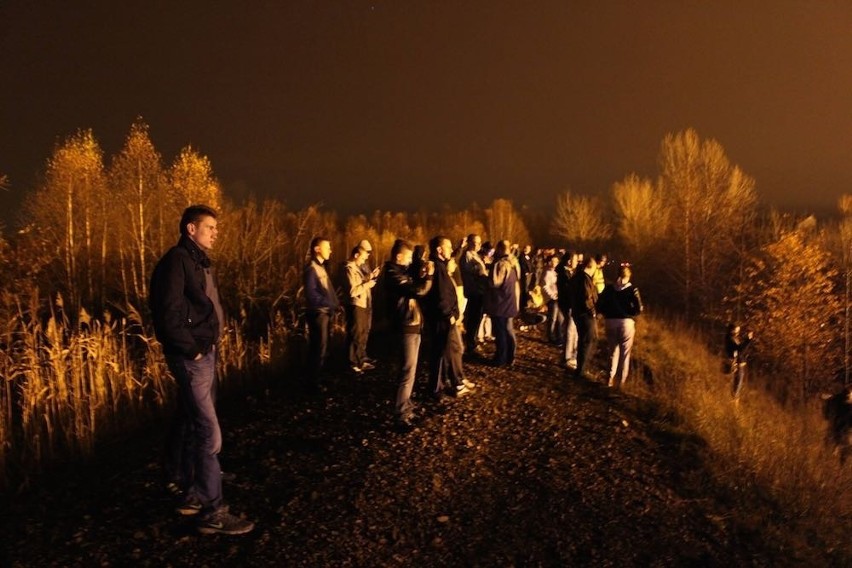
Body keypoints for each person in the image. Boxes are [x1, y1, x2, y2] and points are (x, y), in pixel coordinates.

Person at [149, 204, 254, 535]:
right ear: (190, 229)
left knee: (194, 423)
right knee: (208, 430)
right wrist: (191, 349)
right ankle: (212, 510)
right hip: (192, 357)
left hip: (204, 354)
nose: (215, 232)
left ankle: (193, 492)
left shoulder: (197, 262)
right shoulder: (177, 261)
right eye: (210, 227)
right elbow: (166, 313)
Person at [384, 239, 434, 429]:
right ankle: (400, 415)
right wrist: (428, 277)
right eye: (408, 257)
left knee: (411, 370)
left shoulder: (401, 272)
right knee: (407, 371)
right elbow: (419, 291)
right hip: (405, 325)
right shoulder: (392, 274)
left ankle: (406, 406)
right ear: (398, 257)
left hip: (412, 324)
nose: (410, 261)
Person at [423, 236, 473, 401]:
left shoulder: (440, 266)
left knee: (445, 352)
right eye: (448, 247)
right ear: (439, 250)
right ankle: (442, 388)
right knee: (443, 352)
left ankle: (443, 385)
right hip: (443, 319)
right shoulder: (437, 268)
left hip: (444, 318)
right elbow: (441, 296)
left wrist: (460, 248)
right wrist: (450, 316)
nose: (451, 251)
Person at [597, 263, 643, 388]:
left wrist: (606, 313)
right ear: (629, 276)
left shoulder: (609, 288)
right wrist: (630, 313)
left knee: (612, 352)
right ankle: (620, 383)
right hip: (626, 323)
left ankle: (608, 380)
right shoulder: (632, 290)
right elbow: (639, 309)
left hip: (610, 322)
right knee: (625, 354)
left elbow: (600, 304)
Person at [303, 236, 339, 392]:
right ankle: (313, 382)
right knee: (319, 347)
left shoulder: (321, 267)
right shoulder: (312, 268)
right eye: (327, 247)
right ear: (317, 249)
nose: (330, 250)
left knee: (322, 347)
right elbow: (312, 294)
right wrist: (330, 303)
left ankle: (319, 377)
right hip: (318, 314)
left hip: (324, 313)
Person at [343, 245, 379, 374]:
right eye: (363, 257)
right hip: (356, 305)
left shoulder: (355, 269)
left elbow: (359, 283)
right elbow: (353, 291)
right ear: (356, 255)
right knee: (355, 334)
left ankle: (360, 360)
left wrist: (370, 276)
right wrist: (368, 284)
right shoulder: (349, 269)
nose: (364, 260)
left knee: (361, 333)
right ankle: (352, 363)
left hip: (362, 304)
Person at [486, 240, 521, 366]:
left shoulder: (500, 264)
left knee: (500, 331)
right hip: (511, 300)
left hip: (500, 302)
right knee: (509, 329)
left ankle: (501, 358)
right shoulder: (514, 262)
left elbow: (495, 282)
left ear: (500, 249)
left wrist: (484, 277)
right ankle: (511, 356)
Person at [570, 255, 599, 380]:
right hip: (585, 314)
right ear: (591, 267)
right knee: (587, 340)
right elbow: (587, 298)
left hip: (578, 312)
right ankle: (581, 370)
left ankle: (580, 368)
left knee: (584, 340)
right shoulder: (584, 279)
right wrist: (592, 311)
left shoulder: (577, 277)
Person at [459, 234, 488, 355]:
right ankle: (471, 344)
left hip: (480, 290)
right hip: (474, 291)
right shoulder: (467, 255)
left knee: (477, 317)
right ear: (469, 243)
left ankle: (472, 341)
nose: (477, 245)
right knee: (473, 318)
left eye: (479, 242)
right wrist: (482, 272)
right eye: (474, 242)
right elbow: (471, 272)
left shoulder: (475, 255)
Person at [556, 251, 579, 369]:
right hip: (568, 305)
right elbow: (568, 290)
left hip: (569, 305)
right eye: (575, 260)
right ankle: (567, 358)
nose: (577, 263)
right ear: (569, 261)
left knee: (573, 331)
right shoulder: (564, 274)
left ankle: (571, 356)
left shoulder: (567, 272)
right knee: (570, 332)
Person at [357, 239, 378, 365]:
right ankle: (358, 358)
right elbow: (358, 281)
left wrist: (372, 275)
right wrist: (369, 278)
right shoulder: (357, 264)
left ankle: (363, 355)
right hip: (360, 301)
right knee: (359, 331)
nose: (369, 254)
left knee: (366, 329)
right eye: (367, 251)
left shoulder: (365, 264)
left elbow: (366, 279)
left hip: (367, 299)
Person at [724, 323, 753, 400]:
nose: (739, 331)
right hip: (737, 365)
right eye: (737, 329)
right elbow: (740, 349)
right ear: (733, 330)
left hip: (738, 364)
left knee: (737, 385)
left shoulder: (732, 338)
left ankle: (734, 399)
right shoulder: (730, 339)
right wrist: (748, 340)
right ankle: (734, 401)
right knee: (736, 385)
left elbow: (739, 348)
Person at [542, 254, 564, 344]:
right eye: (553, 261)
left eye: (556, 261)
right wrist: (552, 296)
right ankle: (550, 336)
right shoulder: (547, 273)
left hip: (558, 298)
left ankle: (559, 336)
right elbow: (544, 286)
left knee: (560, 319)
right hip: (552, 299)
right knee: (553, 318)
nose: (554, 263)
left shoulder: (556, 272)